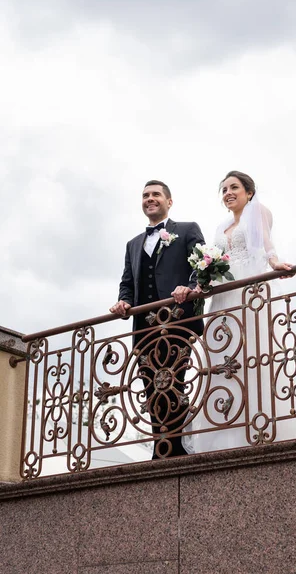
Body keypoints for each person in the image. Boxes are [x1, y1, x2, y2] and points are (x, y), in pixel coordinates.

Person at [183, 171, 293, 454]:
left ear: (249, 192)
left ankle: (257, 426)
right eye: (224, 189)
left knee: (251, 355)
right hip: (222, 299)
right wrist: (202, 281)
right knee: (223, 360)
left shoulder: (258, 212)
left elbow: (266, 244)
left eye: (234, 187)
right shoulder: (220, 227)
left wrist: (275, 262)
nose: (228, 193)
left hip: (247, 293)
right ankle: (223, 433)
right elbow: (214, 260)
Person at [110, 180, 205, 459]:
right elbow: (128, 282)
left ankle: (176, 448)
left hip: (177, 322)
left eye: (155, 195)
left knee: (174, 381)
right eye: (145, 195)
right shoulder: (132, 244)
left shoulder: (187, 229)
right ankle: (160, 448)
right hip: (144, 328)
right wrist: (124, 301)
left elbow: (201, 267)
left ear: (169, 201)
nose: (149, 199)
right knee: (151, 385)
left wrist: (188, 287)